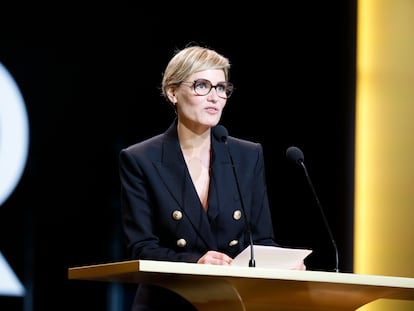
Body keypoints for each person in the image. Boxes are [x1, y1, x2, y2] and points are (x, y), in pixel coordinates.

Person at [119, 44, 305, 311]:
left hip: (231, 302)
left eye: (221, 88)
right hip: (168, 302)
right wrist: (196, 263)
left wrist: (281, 264)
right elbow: (141, 248)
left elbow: (261, 240)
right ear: (172, 92)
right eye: (202, 86)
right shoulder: (140, 159)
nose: (214, 97)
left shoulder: (247, 155)